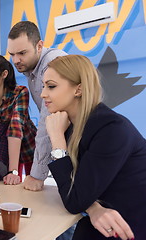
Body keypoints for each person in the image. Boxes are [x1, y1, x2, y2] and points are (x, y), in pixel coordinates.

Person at [43, 54, 146, 240]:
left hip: (128, 225)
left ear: (79, 89)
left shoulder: (111, 129)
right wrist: (93, 207)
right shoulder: (70, 126)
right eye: (43, 86)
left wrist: (56, 138)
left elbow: (73, 200)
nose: (43, 93)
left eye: (51, 86)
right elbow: (75, 189)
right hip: (101, 215)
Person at [7, 20, 67, 191]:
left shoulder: (52, 63)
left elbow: (46, 122)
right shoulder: (30, 68)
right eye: (12, 54)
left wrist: (37, 175)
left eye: (22, 53)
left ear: (39, 46)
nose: (16, 60)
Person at [0, 54, 36, 185]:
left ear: (4, 74)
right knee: (10, 188)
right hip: (4, 152)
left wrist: (13, 171)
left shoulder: (20, 92)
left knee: (32, 185)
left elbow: (15, 125)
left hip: (28, 148)